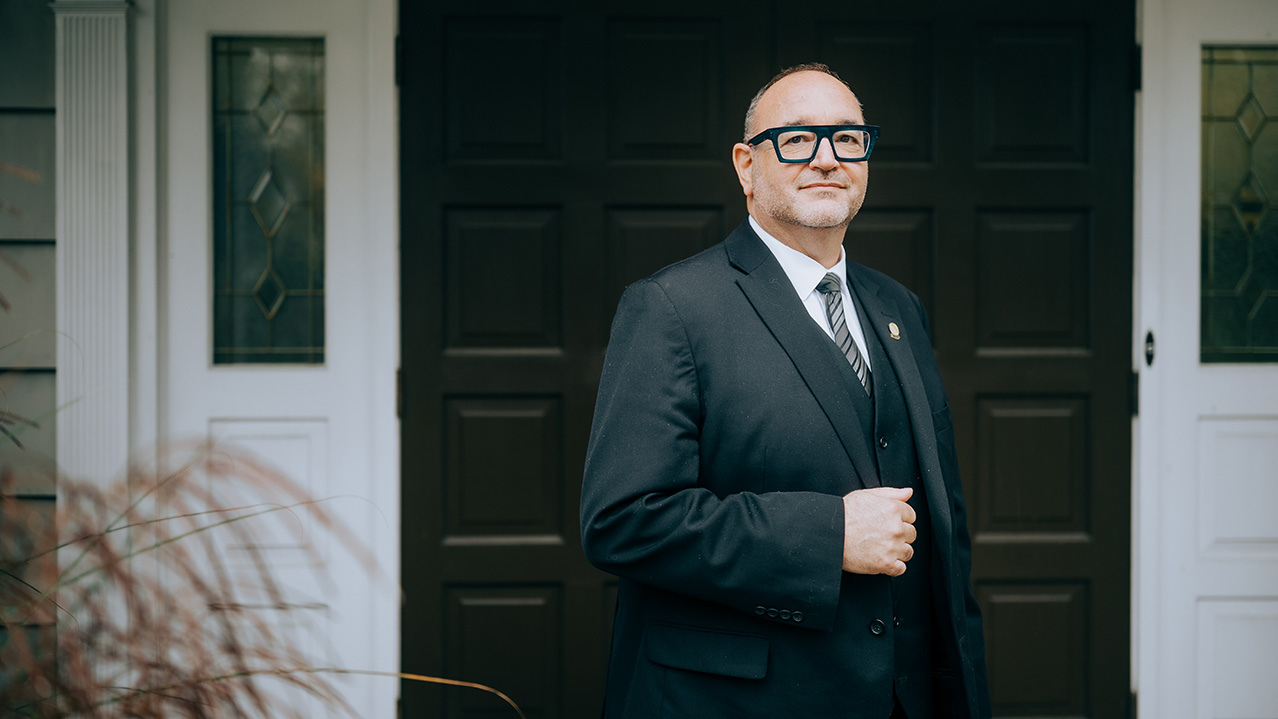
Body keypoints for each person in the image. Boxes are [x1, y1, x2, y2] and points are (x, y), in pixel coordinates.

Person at [579, 63, 991, 719]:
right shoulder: (671, 308)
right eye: (798, 138)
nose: (827, 158)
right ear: (746, 165)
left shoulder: (898, 308)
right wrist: (830, 536)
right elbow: (622, 522)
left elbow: (945, 533)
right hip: (736, 702)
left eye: (848, 139)